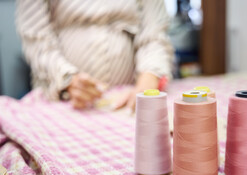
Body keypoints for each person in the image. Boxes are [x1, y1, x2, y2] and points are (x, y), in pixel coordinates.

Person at [16, 0, 173, 110]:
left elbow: (155, 32)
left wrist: (148, 80)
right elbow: (36, 38)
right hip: (61, 102)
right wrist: (67, 79)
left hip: (128, 102)